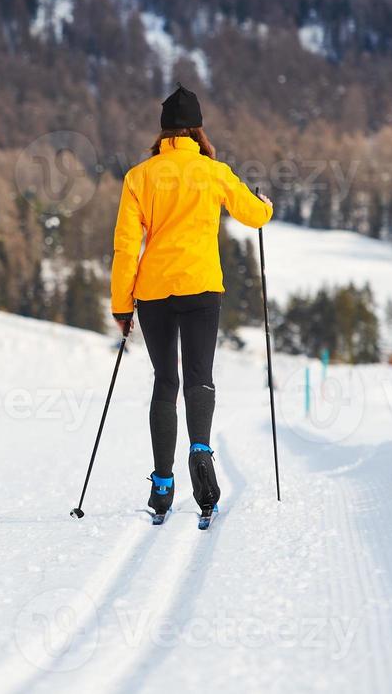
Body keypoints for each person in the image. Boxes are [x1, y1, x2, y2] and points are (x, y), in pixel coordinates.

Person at [110, 86, 273, 519]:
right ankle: (201, 453)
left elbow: (126, 248)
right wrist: (266, 206)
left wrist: (121, 306)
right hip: (201, 287)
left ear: (162, 132)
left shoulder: (139, 177)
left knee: (166, 381)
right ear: (197, 129)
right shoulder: (212, 171)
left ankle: (162, 484)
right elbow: (253, 215)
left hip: (154, 293)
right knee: (200, 375)